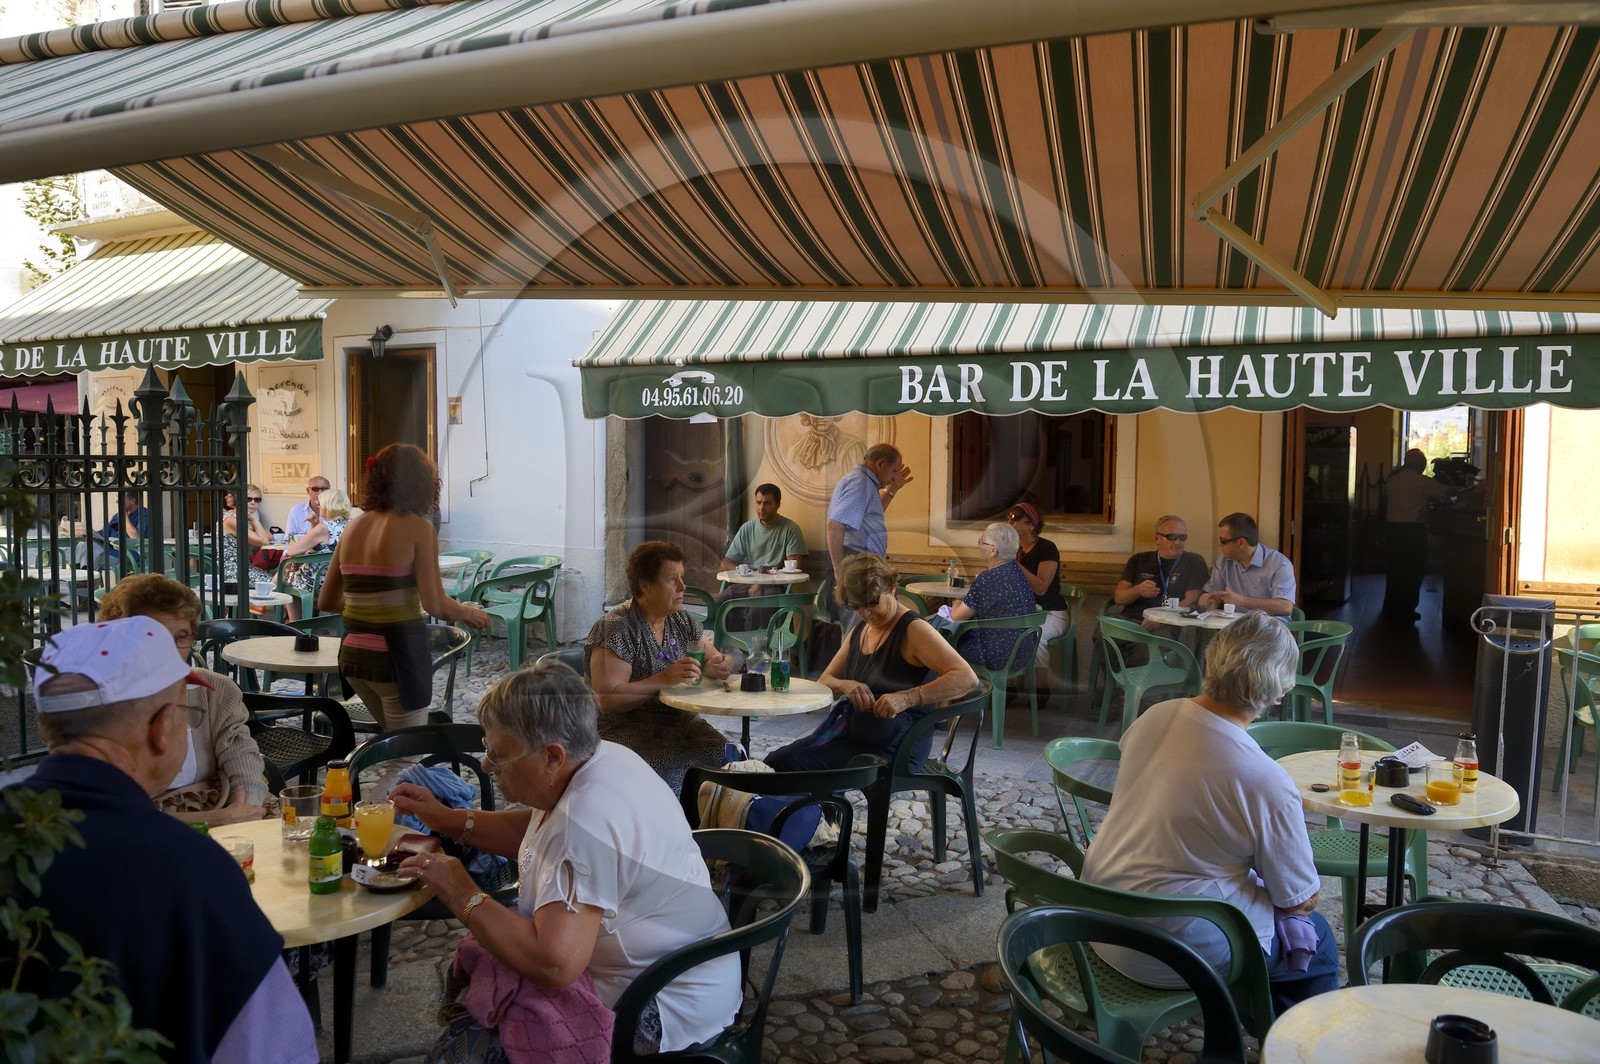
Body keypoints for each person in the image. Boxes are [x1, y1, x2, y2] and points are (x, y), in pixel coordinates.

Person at [392, 663, 740, 1059]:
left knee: (464, 1052)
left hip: (665, 1000)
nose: (487, 765)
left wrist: (461, 892)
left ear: (552, 756)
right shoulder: (598, 756)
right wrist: (449, 819)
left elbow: (554, 965)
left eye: (497, 753)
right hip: (689, 964)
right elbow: (538, 830)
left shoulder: (584, 822)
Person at [12, 618, 317, 1063]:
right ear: (161, 727)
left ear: (45, 727)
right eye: (185, 712)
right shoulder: (192, 869)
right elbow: (274, 1051)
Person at [1080, 612, 1338, 1024]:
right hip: (1170, 950)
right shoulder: (1266, 780)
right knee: (1317, 940)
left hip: (1100, 923)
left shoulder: (1153, 717)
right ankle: (1285, 1042)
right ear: (1279, 693)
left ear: (1210, 662)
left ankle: (1245, 1011)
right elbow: (1299, 898)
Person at [318, 444, 490, 732]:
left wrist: (374, 605)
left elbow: (327, 600)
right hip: (396, 659)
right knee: (406, 757)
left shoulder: (352, 528)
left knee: (394, 745)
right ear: (422, 484)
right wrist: (469, 614)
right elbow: (436, 604)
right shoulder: (419, 529)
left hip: (354, 659)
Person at [766, 554, 976, 772]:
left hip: (896, 748)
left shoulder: (914, 629)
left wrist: (906, 698)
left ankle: (817, 806)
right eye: (856, 607)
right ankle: (816, 806)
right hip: (860, 738)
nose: (865, 613)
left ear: (892, 588)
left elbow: (966, 678)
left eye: (872, 603)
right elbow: (825, 680)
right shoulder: (863, 628)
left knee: (788, 764)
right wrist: (847, 685)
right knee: (775, 760)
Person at [96, 573, 269, 826]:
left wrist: (246, 810)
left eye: (181, 637)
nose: (170, 650)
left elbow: (245, 766)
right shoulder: (95, 704)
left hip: (226, 811)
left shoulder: (214, 691)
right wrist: (216, 820)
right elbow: (111, 815)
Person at [584, 541, 735, 794]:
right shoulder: (617, 628)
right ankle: (670, 830)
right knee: (669, 772)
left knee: (728, 761)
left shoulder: (680, 619)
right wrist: (664, 679)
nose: (682, 587)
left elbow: (711, 658)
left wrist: (718, 665)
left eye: (682, 578)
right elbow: (607, 700)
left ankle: (717, 827)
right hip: (627, 729)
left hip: (681, 723)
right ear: (645, 585)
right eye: (671, 580)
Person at [824, 443, 913, 623]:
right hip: (857, 568)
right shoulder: (861, 483)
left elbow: (871, 515)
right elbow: (834, 526)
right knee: (858, 630)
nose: (894, 476)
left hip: (861, 565)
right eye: (894, 470)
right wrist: (840, 573)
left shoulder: (863, 483)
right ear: (880, 463)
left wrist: (893, 489)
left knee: (870, 628)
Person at [938, 522, 1039, 670]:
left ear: (993, 550)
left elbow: (957, 616)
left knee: (937, 643)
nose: (979, 545)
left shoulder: (987, 578)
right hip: (1023, 654)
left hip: (995, 656)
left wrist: (957, 601)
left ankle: (948, 690)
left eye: (981, 541)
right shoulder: (1018, 572)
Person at [716, 482, 807, 629]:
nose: (761, 508)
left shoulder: (790, 529)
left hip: (775, 586)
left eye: (767, 503)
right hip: (747, 584)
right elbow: (726, 562)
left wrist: (762, 581)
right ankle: (734, 643)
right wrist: (747, 577)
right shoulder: (747, 528)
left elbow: (794, 567)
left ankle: (755, 648)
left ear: (778, 504)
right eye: (758, 502)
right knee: (719, 602)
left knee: (756, 607)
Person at [1383, 448, 1453, 622]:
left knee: (1395, 570)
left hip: (1392, 530)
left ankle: (1390, 607)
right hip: (1413, 531)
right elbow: (1447, 491)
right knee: (1413, 571)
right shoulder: (1422, 481)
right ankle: (1407, 609)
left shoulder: (1392, 479)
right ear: (1420, 464)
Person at [1005, 502, 1071, 672]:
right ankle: (1009, 689)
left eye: (1016, 518)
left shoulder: (1047, 548)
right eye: (1008, 518)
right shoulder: (1013, 549)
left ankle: (1041, 691)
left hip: (1051, 613)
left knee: (1034, 634)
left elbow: (1041, 588)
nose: (1010, 522)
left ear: (1031, 525)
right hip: (1024, 612)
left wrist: (1014, 563)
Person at [1114, 515, 1210, 629]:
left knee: (1142, 644)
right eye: (1172, 536)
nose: (1178, 542)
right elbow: (1119, 598)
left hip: (1168, 624)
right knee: (1104, 633)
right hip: (1131, 620)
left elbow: (1192, 599)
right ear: (1157, 539)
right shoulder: (1138, 560)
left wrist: (1161, 619)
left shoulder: (1194, 561)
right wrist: (1138, 590)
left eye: (1182, 537)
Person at [1198, 513, 1296, 618]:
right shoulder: (1222, 562)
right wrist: (1207, 602)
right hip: (1236, 626)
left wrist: (1242, 601)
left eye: (1223, 541)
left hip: (1270, 628)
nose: (1220, 545)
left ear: (1241, 542)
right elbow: (1215, 598)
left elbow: (1285, 607)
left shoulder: (1279, 564)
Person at [281, 487, 352, 620]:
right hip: (344, 579)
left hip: (322, 580)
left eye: (320, 504)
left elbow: (292, 552)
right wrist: (315, 523)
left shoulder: (324, 527)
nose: (319, 507)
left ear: (326, 506)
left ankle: (294, 624)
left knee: (286, 580)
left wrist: (315, 526)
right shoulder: (353, 524)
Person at [221, 483, 273, 585]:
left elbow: (269, 536)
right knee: (276, 580)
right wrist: (254, 519)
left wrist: (253, 525)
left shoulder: (242, 518)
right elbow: (264, 541)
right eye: (248, 499)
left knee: (278, 577)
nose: (253, 502)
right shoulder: (231, 520)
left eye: (257, 500)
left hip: (244, 567)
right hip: (232, 571)